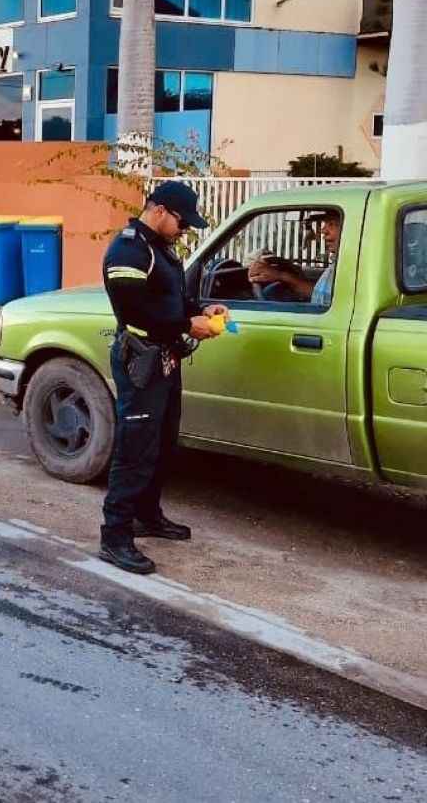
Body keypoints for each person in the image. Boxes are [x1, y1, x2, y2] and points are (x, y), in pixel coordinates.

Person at [99, 181, 228, 575]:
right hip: (141, 362)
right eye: (181, 221)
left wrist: (202, 310)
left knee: (162, 445)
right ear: (159, 211)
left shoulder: (160, 250)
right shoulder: (128, 251)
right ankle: (115, 536)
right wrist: (186, 324)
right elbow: (136, 313)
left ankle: (147, 515)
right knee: (135, 449)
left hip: (165, 360)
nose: (184, 229)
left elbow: (173, 298)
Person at [246, 210, 341, 306]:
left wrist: (281, 276)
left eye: (331, 224)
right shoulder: (340, 263)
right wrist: (282, 276)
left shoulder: (349, 267)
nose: (323, 230)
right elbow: (321, 294)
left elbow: (324, 297)